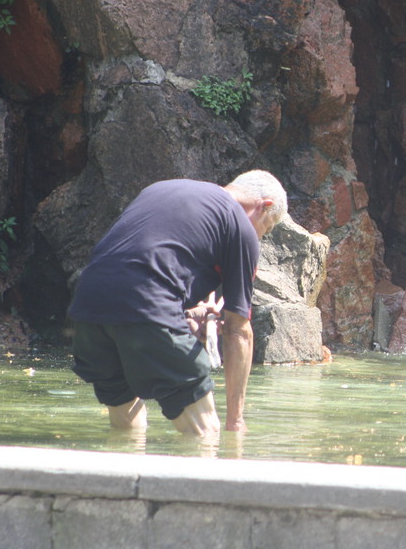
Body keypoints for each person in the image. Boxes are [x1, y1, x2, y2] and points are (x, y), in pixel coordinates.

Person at [68, 170, 287, 435]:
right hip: (149, 309)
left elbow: (140, 261)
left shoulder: (162, 187)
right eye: (268, 227)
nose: (262, 236)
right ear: (264, 207)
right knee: (206, 435)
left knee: (127, 430)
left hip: (87, 308)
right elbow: (238, 331)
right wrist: (236, 421)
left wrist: (185, 312)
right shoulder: (240, 224)